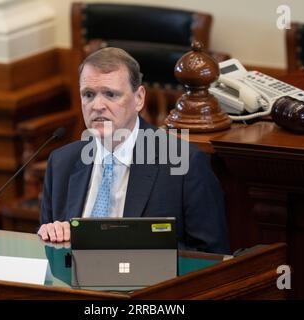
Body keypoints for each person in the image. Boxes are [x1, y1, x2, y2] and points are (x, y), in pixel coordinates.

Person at [37, 47, 230, 254]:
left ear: (139, 98)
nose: (97, 105)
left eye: (110, 94)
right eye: (89, 95)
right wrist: (52, 235)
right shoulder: (61, 162)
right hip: (74, 282)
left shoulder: (183, 164)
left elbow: (211, 257)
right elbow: (50, 251)